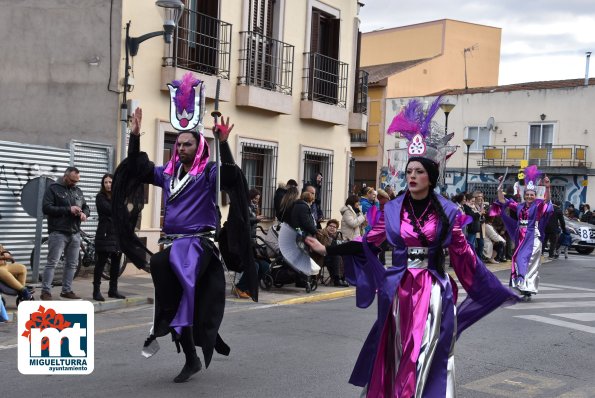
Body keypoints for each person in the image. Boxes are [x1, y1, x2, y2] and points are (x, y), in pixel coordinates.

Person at [306, 97, 518, 397]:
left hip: (433, 293)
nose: (412, 176)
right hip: (399, 292)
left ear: (431, 177)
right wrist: (329, 251)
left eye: (419, 171)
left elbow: (464, 255)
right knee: (396, 352)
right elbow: (367, 243)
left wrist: (493, 288)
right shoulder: (392, 210)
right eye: (409, 172)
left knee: (425, 352)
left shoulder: (448, 212)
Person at [112, 73, 256, 383]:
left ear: (199, 146)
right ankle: (188, 352)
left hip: (198, 244)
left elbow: (233, 177)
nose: (181, 148)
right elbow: (137, 168)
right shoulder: (167, 172)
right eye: (178, 143)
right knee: (168, 284)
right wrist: (134, 136)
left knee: (176, 269)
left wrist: (224, 144)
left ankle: (184, 326)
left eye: (187, 143)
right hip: (173, 243)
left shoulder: (209, 173)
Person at [492, 165, 553, 300]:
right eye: (527, 194)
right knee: (518, 260)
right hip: (521, 236)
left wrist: (548, 187)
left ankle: (527, 289)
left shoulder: (538, 206)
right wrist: (500, 186)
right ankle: (520, 285)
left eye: (532, 195)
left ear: (535, 196)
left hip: (533, 237)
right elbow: (502, 200)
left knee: (530, 262)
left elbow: (547, 200)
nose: (530, 196)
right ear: (524, 195)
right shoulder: (518, 206)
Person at [40, 166, 90, 300]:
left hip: (75, 232)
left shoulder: (77, 191)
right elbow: (46, 208)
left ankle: (66, 290)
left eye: (77, 181)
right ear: (65, 177)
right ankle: (46, 292)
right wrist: (68, 209)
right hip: (58, 232)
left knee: (72, 263)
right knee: (52, 262)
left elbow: (86, 206)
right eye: (72, 180)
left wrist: (85, 213)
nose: (74, 183)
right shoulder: (53, 189)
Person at [92, 173, 125, 301]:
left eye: (110, 182)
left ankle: (113, 290)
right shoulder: (100, 197)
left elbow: (125, 212)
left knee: (116, 264)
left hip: (117, 234)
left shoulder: (118, 197)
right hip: (105, 234)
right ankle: (96, 291)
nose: (108, 185)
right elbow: (110, 210)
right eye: (105, 182)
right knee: (100, 263)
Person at [233, 189, 269, 299]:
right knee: (255, 265)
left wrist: (256, 218)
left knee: (265, 265)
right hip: (242, 244)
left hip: (251, 242)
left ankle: (250, 287)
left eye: (258, 199)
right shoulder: (244, 207)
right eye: (255, 199)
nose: (256, 201)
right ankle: (239, 288)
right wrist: (256, 219)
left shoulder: (253, 208)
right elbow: (244, 221)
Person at [315, 219, 349, 287]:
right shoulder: (320, 233)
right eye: (330, 226)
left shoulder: (337, 236)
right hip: (321, 256)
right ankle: (337, 279)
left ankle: (343, 278)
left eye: (334, 227)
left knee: (345, 255)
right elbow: (322, 246)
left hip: (331, 257)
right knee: (336, 256)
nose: (332, 228)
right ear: (327, 226)